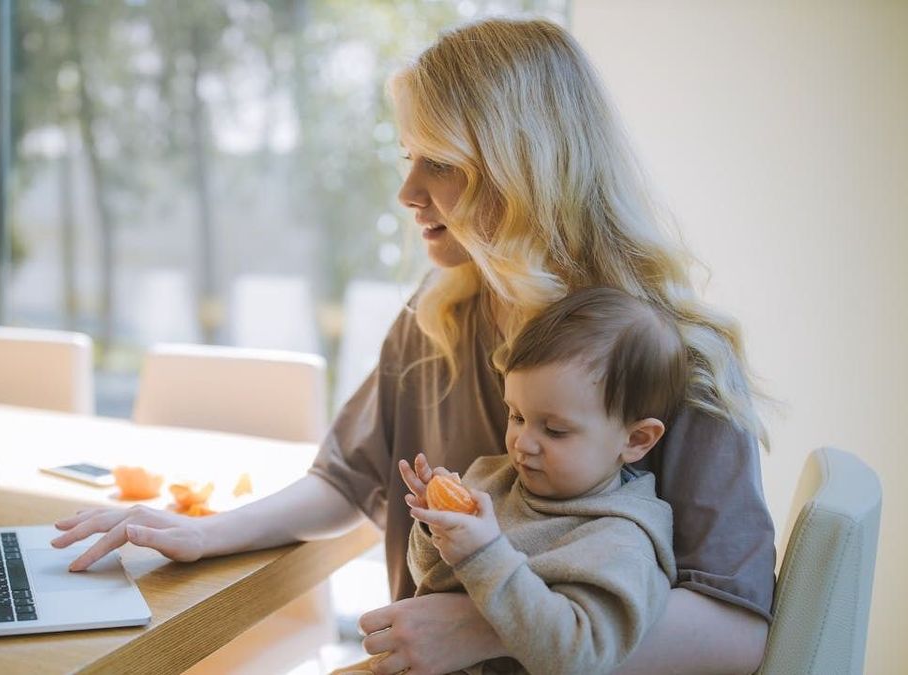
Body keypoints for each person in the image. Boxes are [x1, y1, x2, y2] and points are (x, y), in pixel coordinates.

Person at [52, 17, 775, 674]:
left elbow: (737, 633)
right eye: (408, 156)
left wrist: (485, 624)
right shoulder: (436, 319)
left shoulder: (681, 359)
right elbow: (346, 480)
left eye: (441, 163)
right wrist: (207, 532)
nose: (406, 190)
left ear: (525, 170)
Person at [335, 287, 686, 675]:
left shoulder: (621, 541)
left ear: (636, 440)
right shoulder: (493, 478)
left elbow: (577, 656)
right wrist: (436, 528)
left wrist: (485, 553)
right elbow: (434, 583)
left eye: (554, 430)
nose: (523, 442)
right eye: (516, 416)